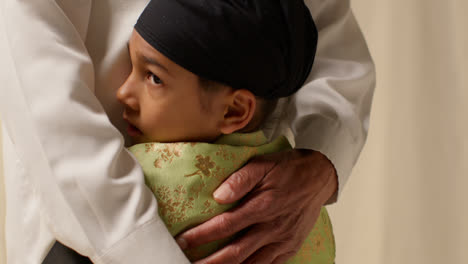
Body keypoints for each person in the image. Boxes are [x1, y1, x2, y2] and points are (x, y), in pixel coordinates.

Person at [0, 0, 375, 264]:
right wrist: (143, 248)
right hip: (86, 222)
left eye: (150, 77)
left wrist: (321, 161)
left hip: (261, 221)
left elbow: (327, 40)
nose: (124, 92)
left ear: (236, 109)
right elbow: (47, 103)